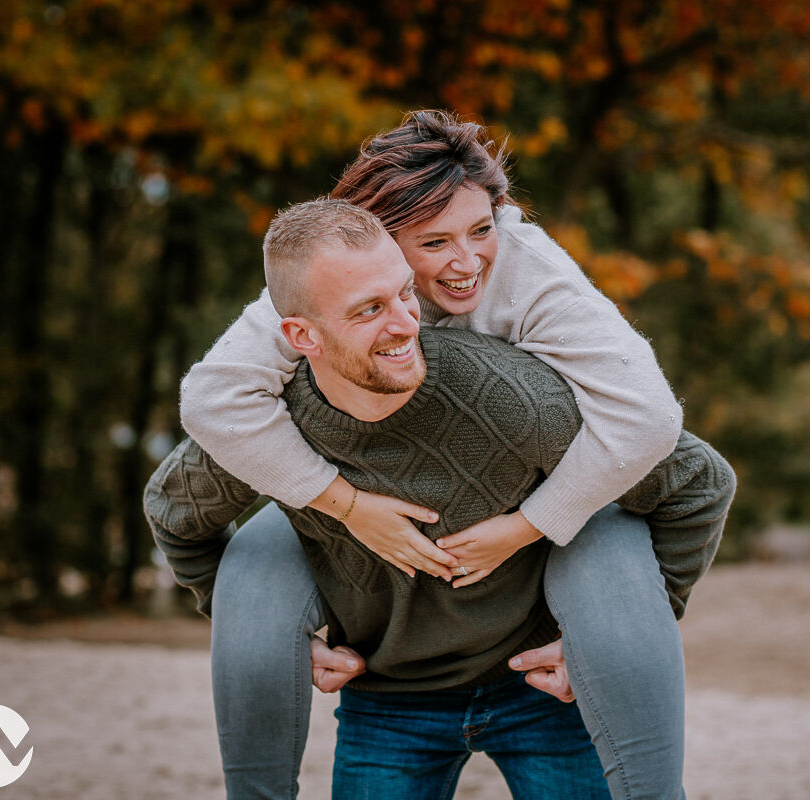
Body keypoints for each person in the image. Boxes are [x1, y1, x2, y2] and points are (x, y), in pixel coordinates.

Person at [179, 111, 731, 799]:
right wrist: (345, 506)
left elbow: (649, 420)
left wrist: (529, 525)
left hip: (534, 533)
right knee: (262, 551)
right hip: (395, 654)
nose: (468, 262)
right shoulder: (336, 275)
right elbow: (209, 404)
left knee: (607, 538)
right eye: (434, 242)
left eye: (481, 229)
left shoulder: (529, 272)